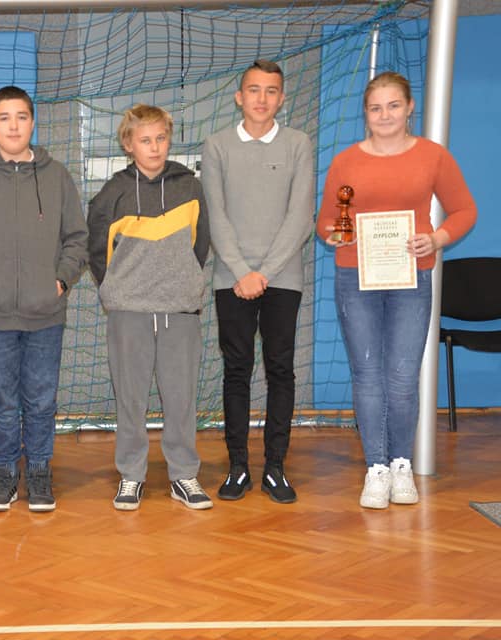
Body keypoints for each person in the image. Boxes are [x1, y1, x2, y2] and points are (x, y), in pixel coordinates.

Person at [316, 71, 476, 509]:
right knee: (367, 375)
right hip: (355, 277)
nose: (384, 115)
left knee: (403, 378)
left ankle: (402, 464)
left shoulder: (432, 156)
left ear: (409, 108)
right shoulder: (346, 161)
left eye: (392, 106)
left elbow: (464, 210)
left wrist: (437, 239)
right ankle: (376, 469)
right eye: (375, 108)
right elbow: (326, 222)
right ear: (365, 114)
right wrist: (337, 235)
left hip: (412, 277)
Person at [0, 86, 88, 512]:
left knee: (41, 400)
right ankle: (5, 473)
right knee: (2, 401)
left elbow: (77, 238)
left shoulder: (57, 176)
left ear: (32, 122)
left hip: (46, 314)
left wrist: (59, 281)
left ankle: (39, 471)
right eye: (4, 118)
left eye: (21, 116)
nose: (13, 125)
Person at [87, 104, 212, 512]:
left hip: (179, 309)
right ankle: (131, 474)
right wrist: (119, 290)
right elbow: (98, 252)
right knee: (131, 397)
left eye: (160, 138)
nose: (154, 147)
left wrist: (181, 282)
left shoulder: (190, 187)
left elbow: (200, 244)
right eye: (145, 140)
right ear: (129, 144)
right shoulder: (113, 193)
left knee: (181, 398)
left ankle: (183, 475)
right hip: (129, 311)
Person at [201, 60, 315, 504]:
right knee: (237, 370)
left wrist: (264, 273)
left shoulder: (298, 144)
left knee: (280, 369)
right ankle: (237, 467)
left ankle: (275, 468)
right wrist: (241, 270)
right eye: (253, 90)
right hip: (231, 278)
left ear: (281, 99)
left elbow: (300, 217)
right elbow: (215, 215)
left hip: (282, 277)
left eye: (271, 91)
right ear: (239, 97)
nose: (261, 98)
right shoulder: (217, 145)